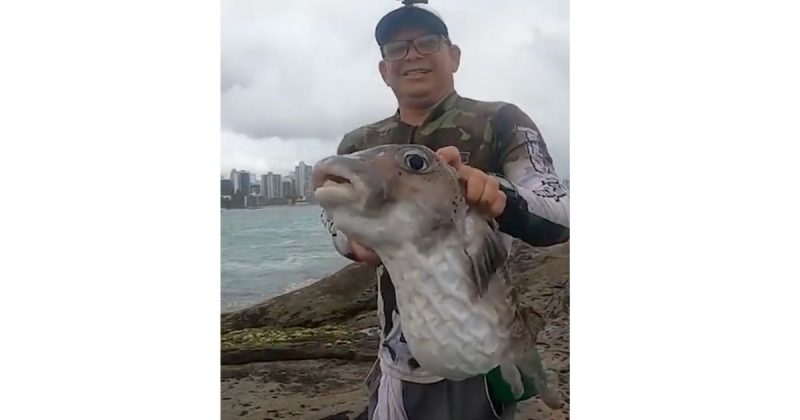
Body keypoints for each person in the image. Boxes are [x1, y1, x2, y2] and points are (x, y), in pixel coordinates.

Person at [319, 2, 569, 419]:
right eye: (397, 48)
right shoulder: (358, 144)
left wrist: (501, 197)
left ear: (453, 55)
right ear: (384, 70)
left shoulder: (502, 121)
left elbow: (561, 214)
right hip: (394, 356)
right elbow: (331, 219)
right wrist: (352, 242)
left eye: (428, 42)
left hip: (479, 349)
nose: (413, 54)